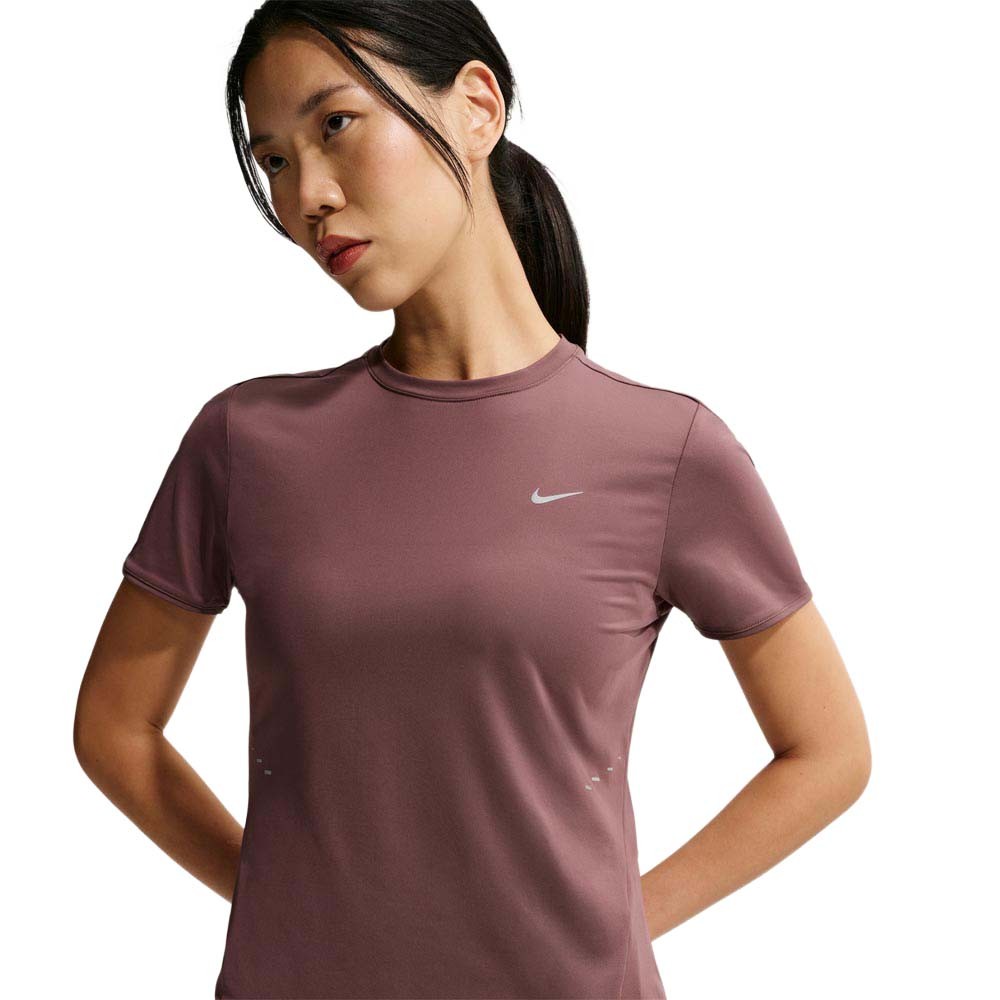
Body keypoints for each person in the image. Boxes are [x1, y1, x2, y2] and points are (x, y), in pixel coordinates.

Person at [74, 3, 871, 998]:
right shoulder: (248, 441)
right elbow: (115, 728)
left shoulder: (664, 451)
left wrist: (617, 917)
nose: (307, 195)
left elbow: (828, 751)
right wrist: (290, 905)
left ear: (477, 107)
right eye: (273, 160)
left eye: (335, 124)